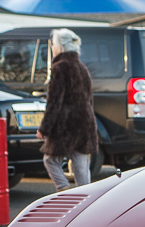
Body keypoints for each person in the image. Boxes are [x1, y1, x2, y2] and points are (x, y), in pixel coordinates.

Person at [36, 28, 98, 192]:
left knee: (50, 160)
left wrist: (44, 129)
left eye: (53, 45)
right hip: (85, 124)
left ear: (60, 47)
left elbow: (54, 103)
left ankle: (64, 190)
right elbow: (89, 99)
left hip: (66, 126)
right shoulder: (82, 68)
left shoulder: (59, 68)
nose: (52, 48)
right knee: (82, 170)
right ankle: (86, 202)